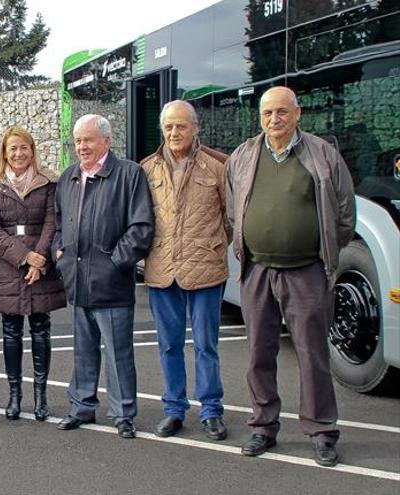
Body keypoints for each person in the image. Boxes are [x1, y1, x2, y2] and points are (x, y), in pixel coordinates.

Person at [224, 86, 356, 467]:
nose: (274, 120)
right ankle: (264, 426)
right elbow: (233, 208)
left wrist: (318, 247)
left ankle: (321, 430)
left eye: (282, 112)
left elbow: (344, 215)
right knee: (258, 352)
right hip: (258, 270)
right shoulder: (244, 155)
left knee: (312, 353)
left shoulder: (322, 154)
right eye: (267, 114)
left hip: (305, 271)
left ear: (297, 114)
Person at [52, 114, 154, 438]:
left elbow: (141, 228)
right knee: (83, 350)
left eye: (89, 140)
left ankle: (123, 413)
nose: (82, 146)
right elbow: (58, 223)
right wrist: (60, 254)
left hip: (111, 283)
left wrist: (114, 263)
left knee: (118, 353)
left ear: (106, 142)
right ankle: (81, 406)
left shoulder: (129, 174)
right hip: (78, 281)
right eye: (78, 140)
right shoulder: (68, 177)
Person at [140, 100, 230, 440]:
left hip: (205, 268)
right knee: (169, 344)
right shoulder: (146, 169)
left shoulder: (217, 167)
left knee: (207, 344)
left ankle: (211, 411)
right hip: (163, 270)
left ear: (195, 128)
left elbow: (231, 218)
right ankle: (174, 409)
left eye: (181, 126)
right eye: (169, 127)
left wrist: (211, 245)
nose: (174, 133)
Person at [0, 126, 66, 421]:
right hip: (7, 266)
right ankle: (14, 395)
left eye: (24, 148)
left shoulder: (48, 183)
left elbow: (51, 222)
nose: (19, 154)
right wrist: (24, 257)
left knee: (41, 329)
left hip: (42, 268)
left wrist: (39, 259)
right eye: (13, 148)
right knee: (11, 332)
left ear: (33, 150)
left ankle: (40, 396)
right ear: (4, 152)